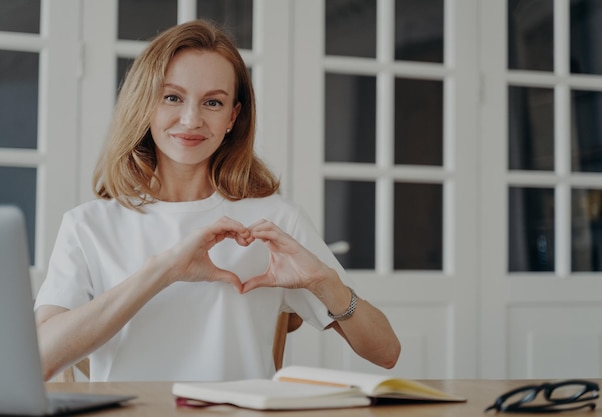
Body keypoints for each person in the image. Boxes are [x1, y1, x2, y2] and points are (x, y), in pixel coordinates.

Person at [34, 19, 401, 382]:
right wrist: (163, 271)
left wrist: (325, 284)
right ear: (145, 104)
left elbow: (386, 353)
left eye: (213, 102)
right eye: (172, 97)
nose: (192, 120)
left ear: (232, 117)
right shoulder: (88, 225)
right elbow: (40, 359)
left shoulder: (275, 219)